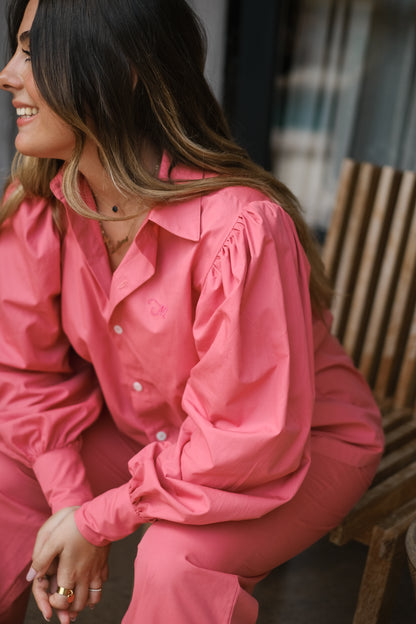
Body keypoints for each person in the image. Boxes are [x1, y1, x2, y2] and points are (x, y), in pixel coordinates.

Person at [0, 0, 384, 623]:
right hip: (150, 431)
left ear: (120, 67)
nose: (8, 74)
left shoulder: (240, 228)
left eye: (31, 50)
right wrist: (70, 506)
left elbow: (243, 438)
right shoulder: (42, 202)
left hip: (295, 443)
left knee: (176, 561)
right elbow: (27, 375)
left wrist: (97, 521)